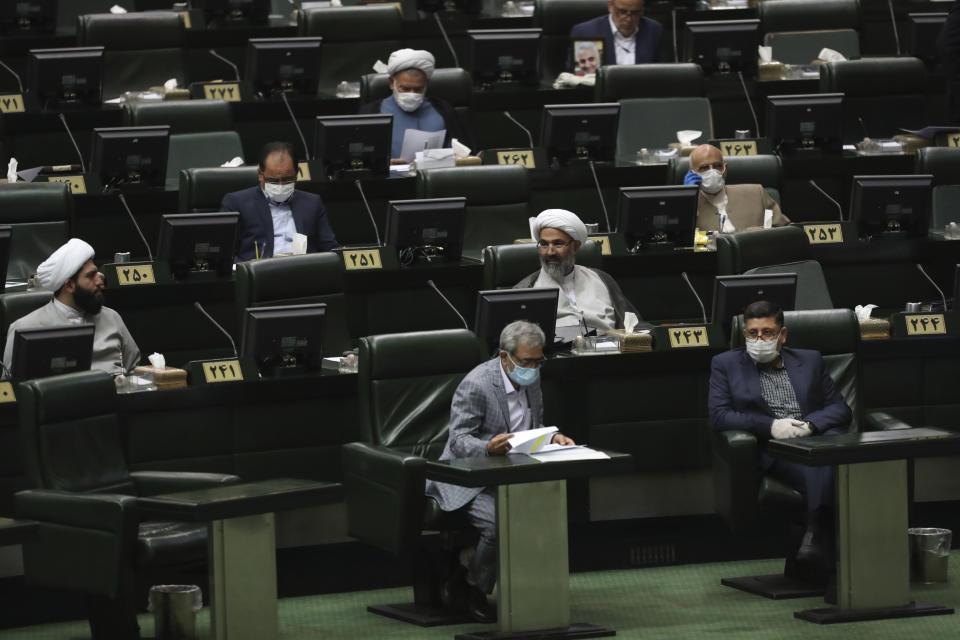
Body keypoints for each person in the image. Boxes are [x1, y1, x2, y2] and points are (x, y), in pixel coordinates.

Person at [425, 320, 575, 622]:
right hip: (469, 479)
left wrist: (552, 437)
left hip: (513, 476)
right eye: (526, 362)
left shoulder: (532, 380)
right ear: (504, 357)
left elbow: (531, 429)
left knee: (545, 516)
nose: (533, 368)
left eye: (538, 361)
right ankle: (472, 589)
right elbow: (458, 441)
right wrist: (486, 448)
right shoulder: (477, 384)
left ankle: (467, 570)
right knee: (499, 525)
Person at [708, 300, 851, 576]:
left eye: (767, 333)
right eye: (752, 333)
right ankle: (833, 564)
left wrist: (810, 425)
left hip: (816, 442)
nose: (759, 340)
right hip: (776, 449)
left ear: (782, 335)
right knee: (827, 468)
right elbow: (720, 416)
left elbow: (839, 408)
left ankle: (816, 537)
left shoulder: (809, 360)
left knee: (825, 461)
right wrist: (772, 426)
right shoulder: (725, 364)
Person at [3, 238, 140, 376]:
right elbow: (10, 389)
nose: (100, 282)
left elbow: (135, 371)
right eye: (91, 276)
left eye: (97, 274)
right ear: (69, 285)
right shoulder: (24, 328)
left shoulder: (112, 317)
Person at [514, 209, 649, 332]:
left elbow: (634, 324)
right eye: (544, 244)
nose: (550, 252)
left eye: (558, 244)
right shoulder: (525, 290)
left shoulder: (601, 278)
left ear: (576, 246)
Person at [221, 141, 338, 262]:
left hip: (304, 271)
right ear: (260, 175)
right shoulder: (236, 203)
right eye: (273, 181)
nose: (281, 185)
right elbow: (225, 254)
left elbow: (330, 249)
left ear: (297, 173)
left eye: (287, 179)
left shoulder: (312, 203)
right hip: (261, 275)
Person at [359, 48, 469, 164]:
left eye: (418, 89)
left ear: (426, 84)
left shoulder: (443, 110)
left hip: (437, 178)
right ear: (392, 83)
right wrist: (383, 164)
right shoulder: (371, 112)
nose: (412, 93)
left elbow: (464, 156)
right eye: (405, 88)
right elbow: (358, 160)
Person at [684, 143, 790, 233]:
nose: (712, 172)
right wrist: (688, 198)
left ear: (726, 169)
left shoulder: (756, 193)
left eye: (717, 166)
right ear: (692, 173)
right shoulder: (690, 205)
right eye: (704, 168)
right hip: (714, 257)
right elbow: (684, 244)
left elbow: (786, 230)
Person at [569, 0, 664, 67]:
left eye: (635, 13)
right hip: (601, 94)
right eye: (622, 12)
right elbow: (576, 75)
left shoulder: (654, 29)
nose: (628, 19)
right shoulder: (586, 31)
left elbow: (662, 71)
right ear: (610, 6)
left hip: (641, 93)